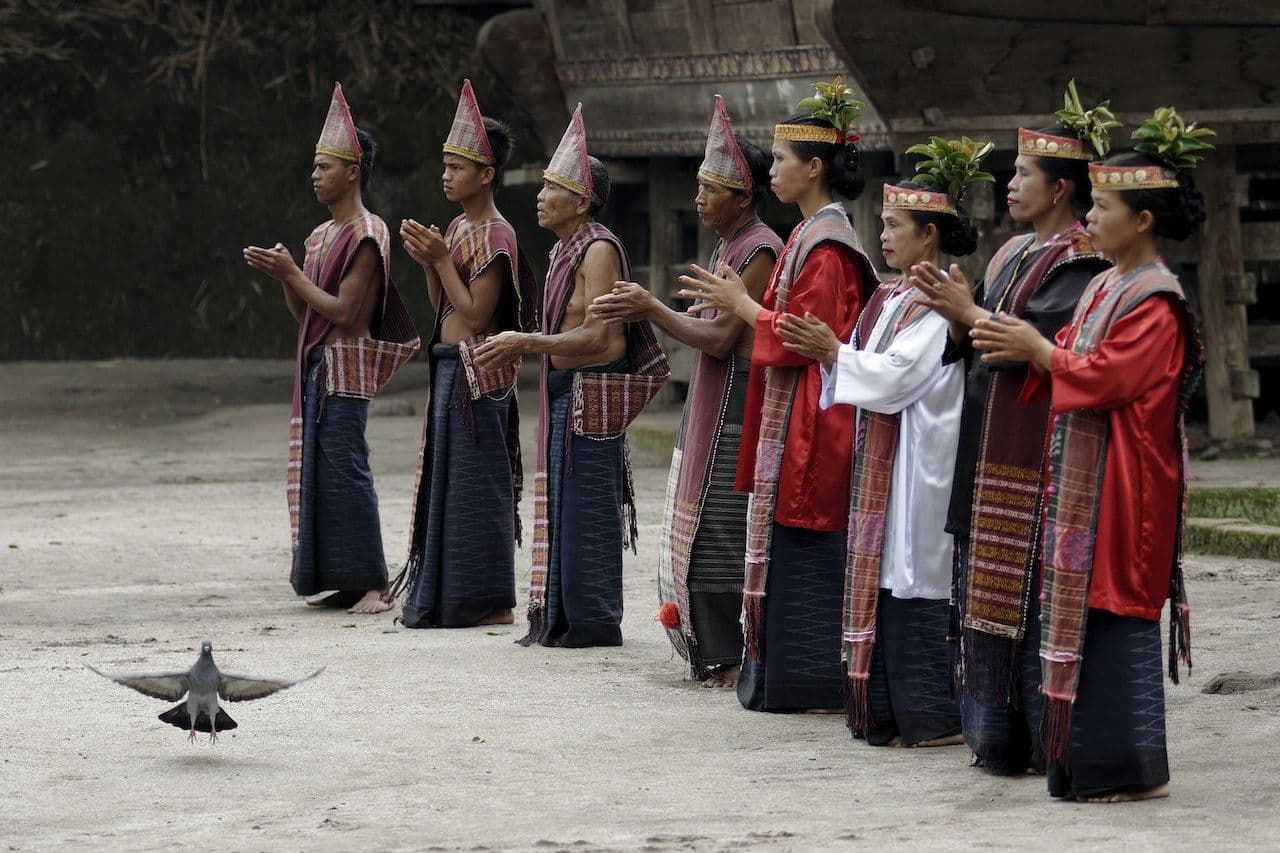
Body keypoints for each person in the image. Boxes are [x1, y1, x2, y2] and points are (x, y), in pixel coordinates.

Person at [970, 106, 1209, 802]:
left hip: (1126, 482)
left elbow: (1106, 375)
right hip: (1086, 476)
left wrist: (1041, 351)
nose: (1093, 217)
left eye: (1103, 206)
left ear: (1141, 220)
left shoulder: (1156, 298)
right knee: (1078, 613)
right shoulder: (1106, 283)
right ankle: (1078, 763)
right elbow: (1079, 356)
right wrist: (1044, 352)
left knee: (1116, 612)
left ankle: (1130, 770)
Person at [909, 84, 1115, 773]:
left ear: (1060, 190)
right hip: (988, 446)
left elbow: (1041, 343)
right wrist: (954, 316)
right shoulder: (1009, 254)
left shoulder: (1079, 260)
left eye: (1024, 173)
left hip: (1034, 458)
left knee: (1026, 597)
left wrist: (968, 314)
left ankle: (1030, 737)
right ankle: (993, 735)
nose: (1011, 183)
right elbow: (980, 343)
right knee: (982, 593)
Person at [779, 138, 991, 746]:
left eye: (896, 226)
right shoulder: (889, 294)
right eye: (883, 224)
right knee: (887, 576)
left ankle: (931, 719)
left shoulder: (938, 299)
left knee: (915, 574)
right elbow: (871, 366)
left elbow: (899, 375)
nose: (884, 236)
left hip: (923, 458)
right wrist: (837, 355)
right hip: (889, 458)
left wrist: (832, 352)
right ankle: (892, 714)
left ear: (929, 236)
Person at [677, 78, 877, 712]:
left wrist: (741, 305)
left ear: (813, 167)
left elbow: (807, 339)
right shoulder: (804, 236)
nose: (775, 168)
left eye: (782, 158)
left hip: (817, 421)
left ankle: (805, 679)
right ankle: (783, 676)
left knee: (807, 549)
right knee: (787, 547)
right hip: (796, 415)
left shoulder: (827, 246)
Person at [589, 96, 782, 687]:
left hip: (737, 401)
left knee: (721, 528)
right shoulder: (730, 246)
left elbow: (722, 339)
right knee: (696, 522)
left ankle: (729, 653)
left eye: (710, 187)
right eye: (696, 185)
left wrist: (650, 308)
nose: (698, 198)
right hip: (711, 397)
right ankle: (710, 649)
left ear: (743, 197)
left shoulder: (760, 248)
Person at [474, 105, 669, 648]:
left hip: (591, 396)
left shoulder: (599, 247)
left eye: (551, 187)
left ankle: (594, 620)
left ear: (581, 201)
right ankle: (567, 617)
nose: (539, 196)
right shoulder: (565, 248)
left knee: (588, 510)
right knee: (564, 505)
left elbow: (601, 338)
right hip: (565, 392)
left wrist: (526, 341)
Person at [244, 83, 419, 615]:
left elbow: (344, 313)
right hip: (318, 361)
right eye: (313, 166)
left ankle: (373, 583)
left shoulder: (369, 231)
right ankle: (338, 576)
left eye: (325, 166)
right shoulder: (320, 235)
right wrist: (287, 278)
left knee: (345, 467)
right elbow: (308, 315)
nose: (315, 174)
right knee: (319, 472)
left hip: (346, 363)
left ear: (353, 170)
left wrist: (292, 273)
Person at [384, 80, 538, 629]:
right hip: (449, 366)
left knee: (480, 485)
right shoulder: (455, 227)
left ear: (487, 174)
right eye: (444, 166)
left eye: (457, 166)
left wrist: (443, 260)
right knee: (448, 482)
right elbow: (441, 307)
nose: (446, 175)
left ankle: (488, 598)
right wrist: (430, 264)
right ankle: (453, 594)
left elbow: (476, 317)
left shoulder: (499, 235)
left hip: (480, 373)